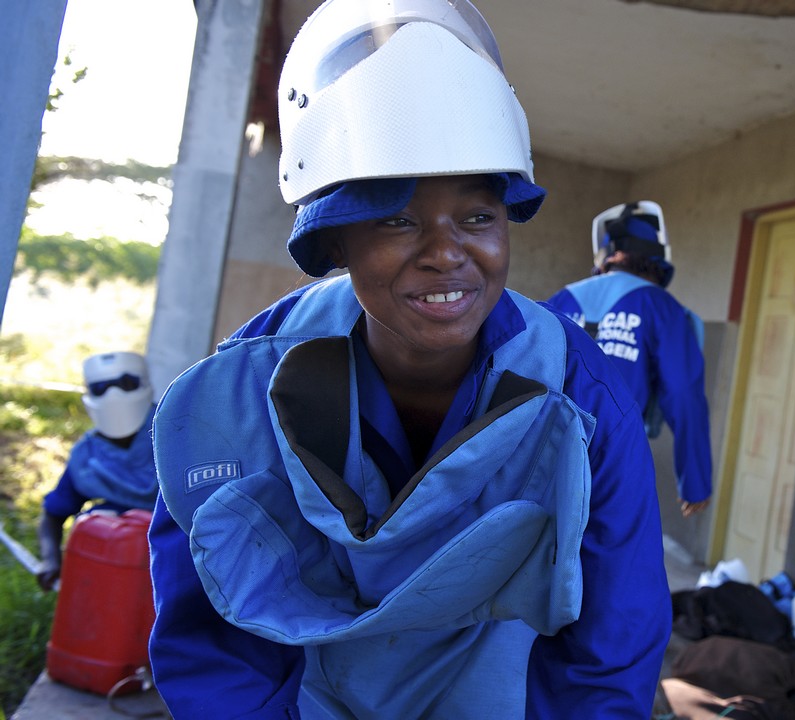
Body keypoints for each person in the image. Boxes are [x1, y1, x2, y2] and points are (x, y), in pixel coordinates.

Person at [146, 1, 671, 717]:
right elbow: (215, 635)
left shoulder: (582, 402)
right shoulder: (236, 397)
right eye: (396, 219)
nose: (447, 252)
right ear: (334, 244)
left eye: (477, 216)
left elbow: (610, 649)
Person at [546, 201, 713, 517]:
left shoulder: (562, 298)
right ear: (656, 262)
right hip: (613, 465)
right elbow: (683, 395)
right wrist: (696, 481)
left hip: (539, 457)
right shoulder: (664, 308)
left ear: (607, 255)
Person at [35, 351, 157, 591]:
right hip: (110, 561)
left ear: (142, 384)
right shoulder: (87, 455)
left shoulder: (177, 432)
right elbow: (53, 514)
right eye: (101, 387)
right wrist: (50, 560)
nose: (115, 396)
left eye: (125, 383)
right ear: (90, 393)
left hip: (172, 557)